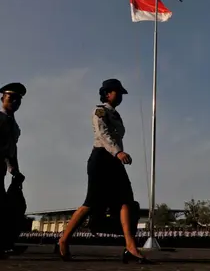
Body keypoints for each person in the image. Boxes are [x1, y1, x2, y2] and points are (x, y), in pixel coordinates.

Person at [57, 79, 151, 264]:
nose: (121, 96)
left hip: (115, 161)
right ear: (107, 93)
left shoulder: (116, 114)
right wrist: (119, 152)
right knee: (91, 203)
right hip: (101, 159)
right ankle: (63, 239)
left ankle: (131, 247)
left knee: (127, 202)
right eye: (117, 92)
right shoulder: (99, 110)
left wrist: (118, 155)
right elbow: (103, 134)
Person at [0, 83, 27, 258]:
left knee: (7, 206)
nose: (15, 102)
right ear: (2, 98)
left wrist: (14, 169)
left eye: (18, 99)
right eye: (11, 98)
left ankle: (5, 243)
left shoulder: (15, 126)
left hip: (1, 167)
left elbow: (11, 149)